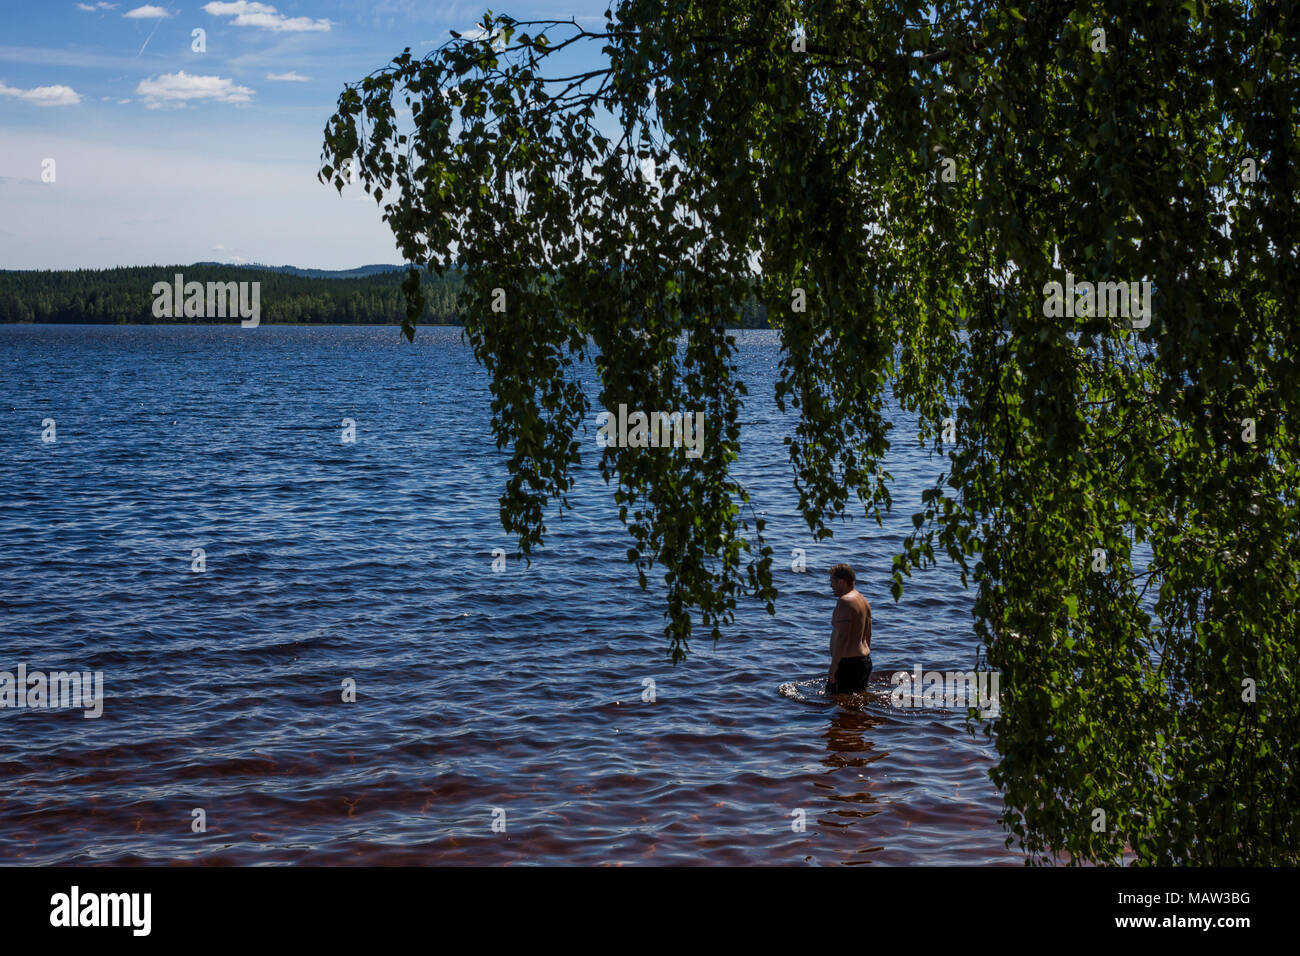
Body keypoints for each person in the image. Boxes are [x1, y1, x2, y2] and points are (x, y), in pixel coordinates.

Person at [825, 563, 871, 695]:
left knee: (837, 704)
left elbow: (842, 636)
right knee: (855, 706)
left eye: (832, 582)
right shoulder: (863, 600)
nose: (830, 586)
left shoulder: (845, 601)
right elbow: (868, 632)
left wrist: (834, 666)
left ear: (841, 582)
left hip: (848, 664)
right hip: (864, 661)